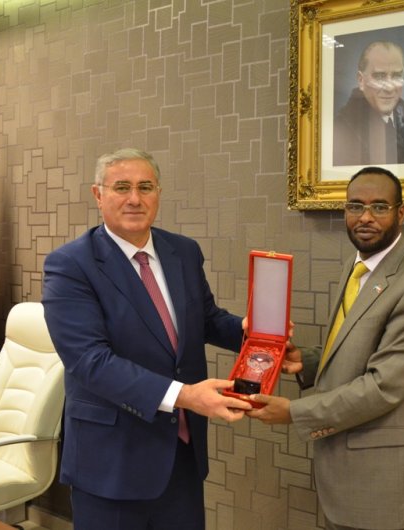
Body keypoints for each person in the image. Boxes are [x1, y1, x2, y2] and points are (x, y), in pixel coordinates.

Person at [42, 148, 252, 530]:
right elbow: (90, 362)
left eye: (145, 187)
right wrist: (186, 396)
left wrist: (254, 336)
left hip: (181, 453)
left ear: (159, 193)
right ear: (98, 194)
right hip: (111, 463)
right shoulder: (71, 265)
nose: (135, 199)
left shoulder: (183, 251)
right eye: (122, 187)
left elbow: (206, 319)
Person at [248, 167, 404, 530]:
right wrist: (309, 361)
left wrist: (294, 412)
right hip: (348, 476)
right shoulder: (357, 267)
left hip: (388, 484)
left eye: (379, 207)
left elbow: (384, 386)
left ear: (401, 213)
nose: (365, 217)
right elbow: (357, 344)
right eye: (355, 206)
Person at [333, 41, 404, 166]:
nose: (389, 88)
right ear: (361, 81)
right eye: (379, 76)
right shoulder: (341, 129)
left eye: (396, 76)